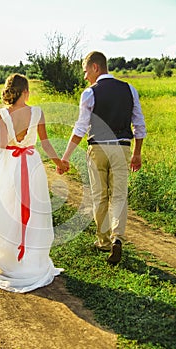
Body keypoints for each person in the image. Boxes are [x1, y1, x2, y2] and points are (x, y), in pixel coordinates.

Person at [0, 73, 67, 292]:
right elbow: (46, 144)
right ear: (26, 91)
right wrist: (59, 162)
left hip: (9, 165)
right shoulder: (37, 113)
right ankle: (30, 260)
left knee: (8, 210)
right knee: (33, 210)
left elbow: (1, 145)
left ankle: (10, 259)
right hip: (31, 166)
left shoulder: (2, 114)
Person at [59, 51, 146, 265]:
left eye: (86, 70)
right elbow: (139, 125)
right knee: (119, 196)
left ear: (96, 67)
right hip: (123, 148)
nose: (85, 76)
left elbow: (80, 128)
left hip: (98, 148)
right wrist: (137, 153)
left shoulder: (90, 93)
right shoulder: (130, 90)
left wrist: (66, 156)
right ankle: (117, 238)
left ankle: (103, 241)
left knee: (100, 196)